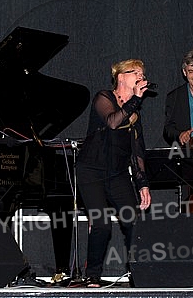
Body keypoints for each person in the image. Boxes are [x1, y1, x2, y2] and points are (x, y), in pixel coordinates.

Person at [77, 59, 152, 287]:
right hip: (91, 171)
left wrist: (143, 184)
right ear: (121, 77)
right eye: (135, 72)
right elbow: (112, 122)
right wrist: (135, 100)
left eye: (142, 73)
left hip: (117, 174)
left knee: (133, 222)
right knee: (101, 224)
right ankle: (93, 274)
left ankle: (137, 271)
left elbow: (137, 152)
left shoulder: (134, 114)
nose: (140, 76)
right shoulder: (103, 98)